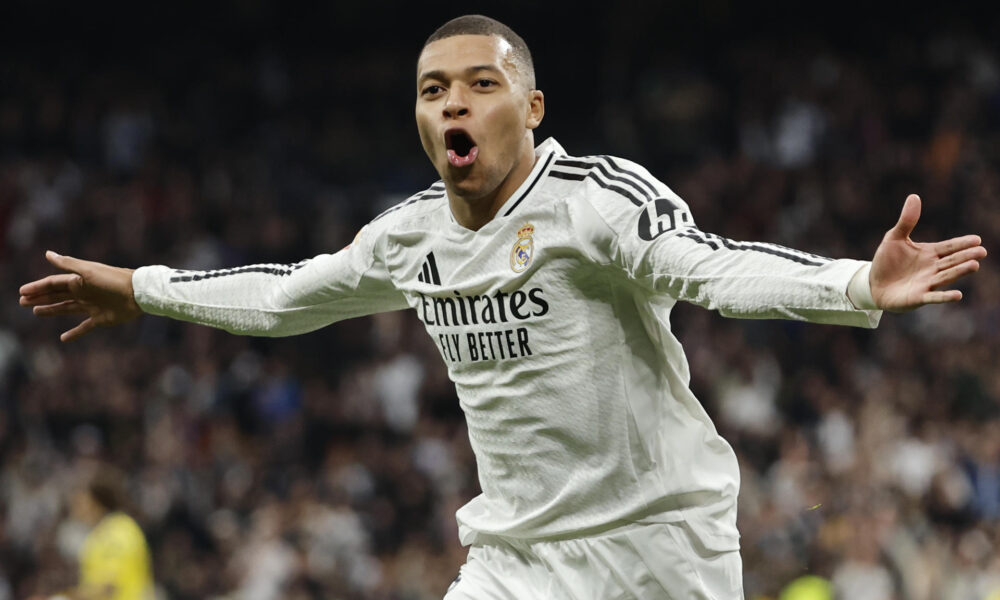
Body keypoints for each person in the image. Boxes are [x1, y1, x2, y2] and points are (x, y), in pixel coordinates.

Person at [19, 14, 986, 599]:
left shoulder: (595, 201)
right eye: (434, 89)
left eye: (483, 85)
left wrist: (857, 284)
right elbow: (284, 299)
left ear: (530, 110)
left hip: (658, 548)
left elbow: (709, 268)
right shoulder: (410, 236)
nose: (455, 105)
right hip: (514, 555)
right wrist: (143, 289)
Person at [31, 467, 155, 600]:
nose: (74, 505)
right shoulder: (99, 534)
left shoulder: (119, 532)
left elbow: (109, 588)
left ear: (95, 501)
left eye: (80, 500)